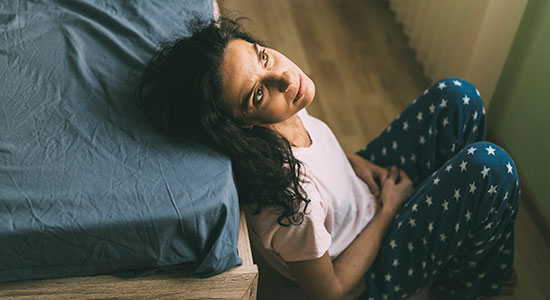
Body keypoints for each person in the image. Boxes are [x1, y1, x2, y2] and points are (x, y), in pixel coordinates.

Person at [135, 17, 520, 300]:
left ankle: (462, 251)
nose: (286, 79)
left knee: (458, 97)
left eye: (264, 57)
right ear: (240, 125)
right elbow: (329, 292)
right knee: (490, 169)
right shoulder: (288, 198)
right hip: (370, 267)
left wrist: (360, 166)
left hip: (364, 193)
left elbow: (323, 158)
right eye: (257, 94)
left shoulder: (285, 109)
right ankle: (467, 285)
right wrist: (389, 210)